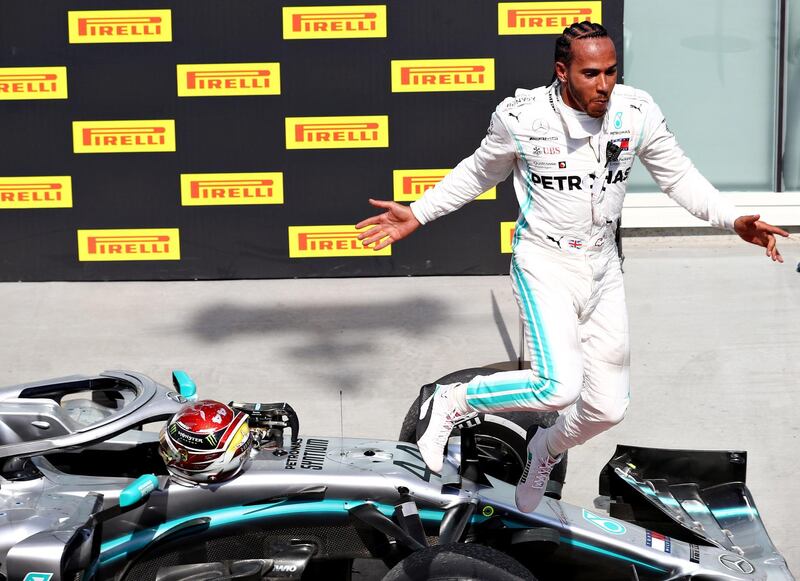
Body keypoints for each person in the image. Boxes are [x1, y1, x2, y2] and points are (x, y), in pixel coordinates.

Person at [355, 21, 788, 513]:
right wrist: (419, 211)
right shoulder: (522, 117)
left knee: (607, 408)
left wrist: (733, 220)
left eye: (610, 72)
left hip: (603, 268)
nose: (603, 85)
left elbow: (680, 176)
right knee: (557, 386)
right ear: (562, 72)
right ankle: (454, 401)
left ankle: (544, 450)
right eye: (590, 74)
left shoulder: (636, 110)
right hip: (544, 262)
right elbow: (479, 171)